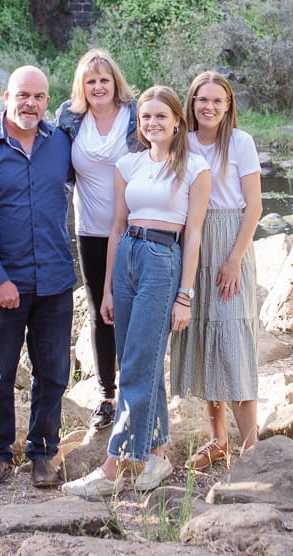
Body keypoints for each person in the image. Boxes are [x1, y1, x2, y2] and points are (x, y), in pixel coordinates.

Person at [64, 85, 211, 498]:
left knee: (135, 366)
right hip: (127, 253)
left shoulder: (195, 168)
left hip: (163, 260)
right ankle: (158, 453)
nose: (152, 123)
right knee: (140, 364)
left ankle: (113, 468)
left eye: (161, 116)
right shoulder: (127, 164)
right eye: (145, 117)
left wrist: (186, 295)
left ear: (178, 121)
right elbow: (114, 228)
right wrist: (107, 288)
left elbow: (194, 235)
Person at [0, 66, 75, 489]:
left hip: (56, 280)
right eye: (23, 95)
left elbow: (113, 120)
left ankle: (43, 454)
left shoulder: (61, 141)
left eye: (40, 97)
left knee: (54, 372)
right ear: (6, 96)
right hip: (4, 281)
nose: (31, 104)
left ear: (48, 101)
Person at [170, 71, 264, 469]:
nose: (208, 107)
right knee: (205, 332)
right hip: (192, 241)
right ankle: (218, 440)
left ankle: (253, 447)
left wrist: (233, 260)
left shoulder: (240, 143)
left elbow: (255, 207)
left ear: (228, 107)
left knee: (231, 341)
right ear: (191, 104)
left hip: (228, 239)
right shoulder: (182, 143)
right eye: (201, 100)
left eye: (217, 101)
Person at [54, 48, 141, 432]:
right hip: (90, 229)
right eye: (91, 81)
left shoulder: (135, 113)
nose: (98, 86)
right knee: (99, 312)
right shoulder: (69, 118)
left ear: (115, 82)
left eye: (104, 79)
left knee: (133, 310)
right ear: (82, 86)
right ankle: (106, 395)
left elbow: (168, 137)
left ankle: (136, 393)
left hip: (136, 227)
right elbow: (43, 145)